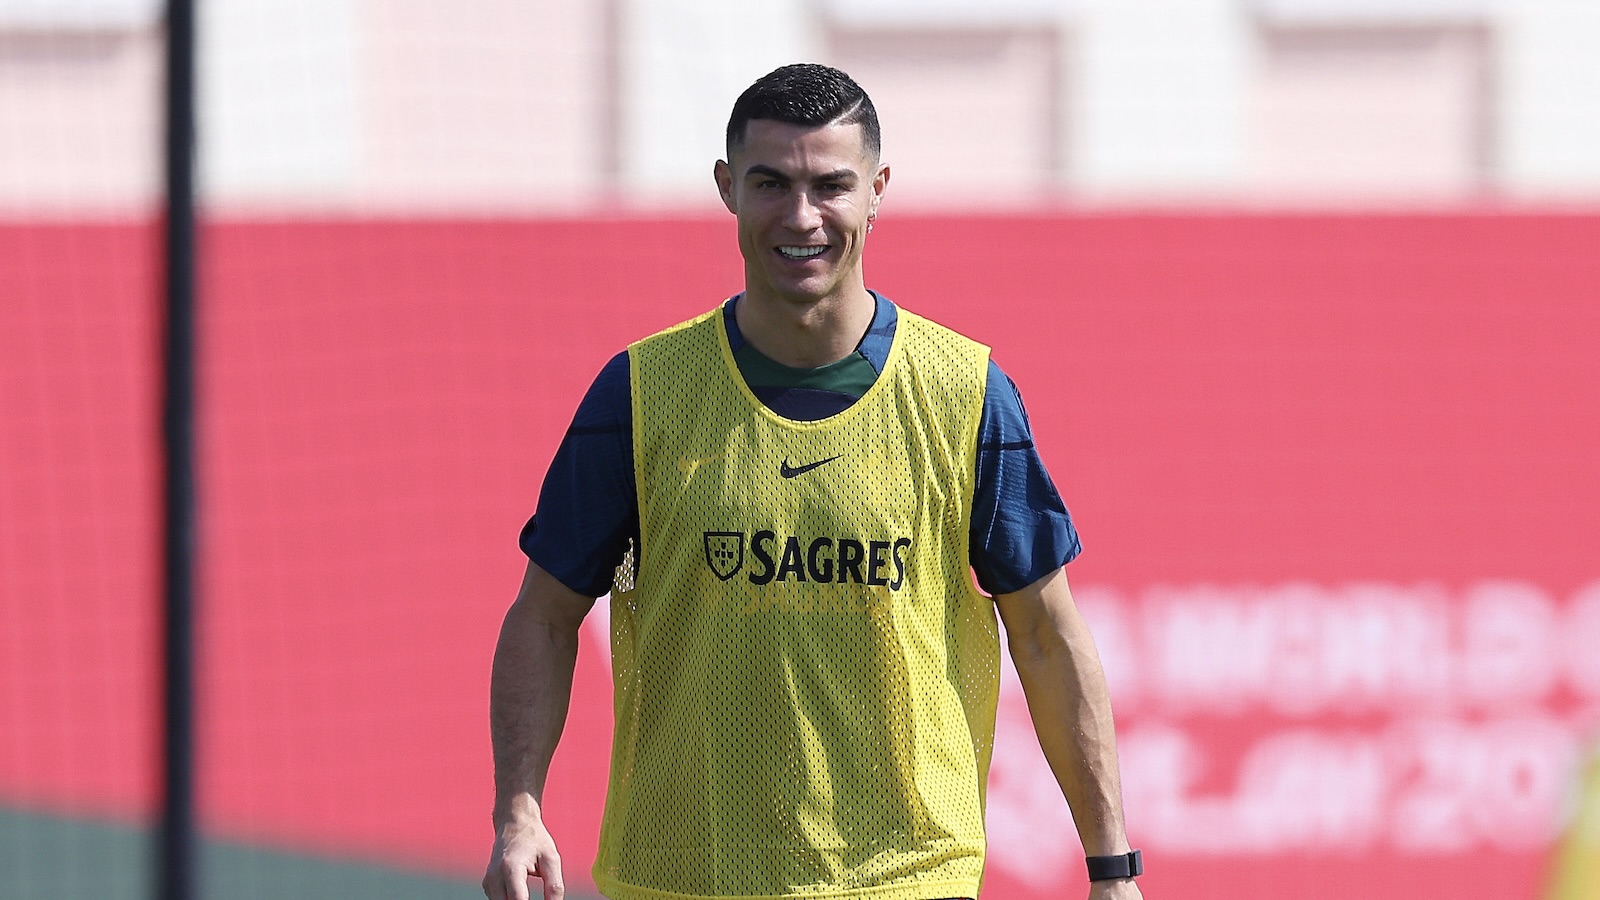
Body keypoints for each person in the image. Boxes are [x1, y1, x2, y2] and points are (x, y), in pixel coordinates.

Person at [484, 63, 1144, 900]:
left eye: (831, 185)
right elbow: (543, 619)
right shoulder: (640, 394)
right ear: (727, 188)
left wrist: (1111, 867)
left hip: (907, 880)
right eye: (772, 183)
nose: (803, 217)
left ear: (878, 190)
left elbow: (1048, 637)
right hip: (683, 879)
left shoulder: (964, 393)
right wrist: (519, 811)